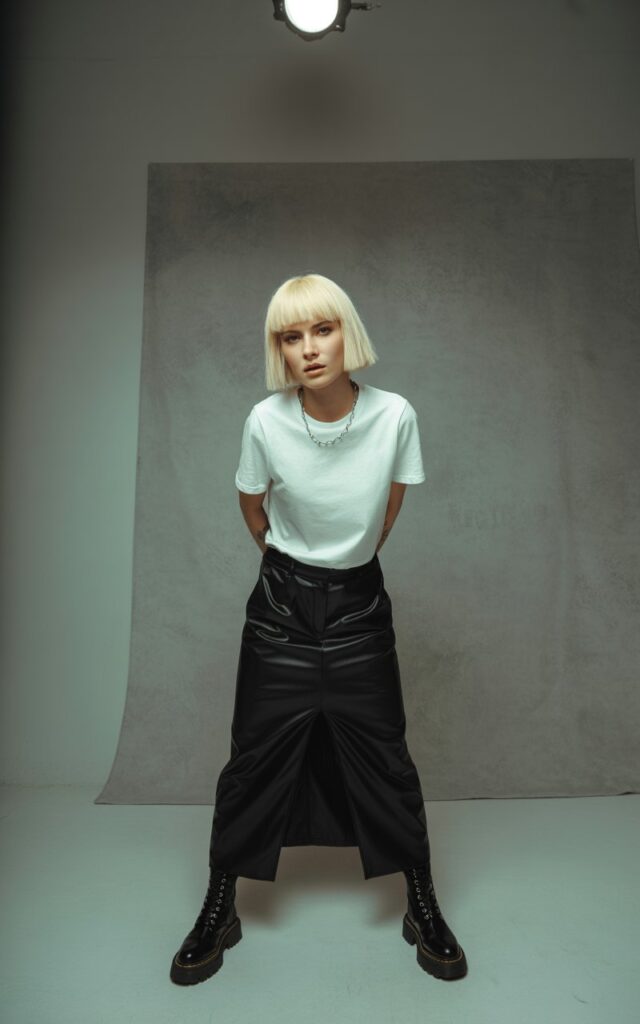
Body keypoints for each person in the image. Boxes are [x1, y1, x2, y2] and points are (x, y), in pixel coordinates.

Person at [170, 273, 468, 985]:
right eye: (290, 336)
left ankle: (421, 901)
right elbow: (252, 507)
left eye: (322, 330)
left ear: (347, 334)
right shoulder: (265, 420)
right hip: (281, 609)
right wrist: (292, 568)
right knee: (252, 757)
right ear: (279, 348)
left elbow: (387, 509)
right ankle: (220, 905)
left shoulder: (395, 415)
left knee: (387, 756)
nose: (308, 349)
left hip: (360, 608)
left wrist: (346, 566)